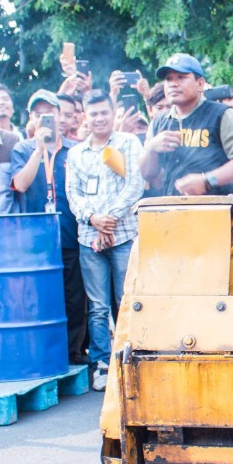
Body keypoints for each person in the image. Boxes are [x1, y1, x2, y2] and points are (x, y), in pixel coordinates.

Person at [65, 90, 144, 392]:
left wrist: (108, 219)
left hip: (123, 235)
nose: (99, 118)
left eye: (104, 112)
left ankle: (131, 357)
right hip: (89, 238)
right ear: (84, 115)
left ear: (113, 113)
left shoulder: (127, 143)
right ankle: (102, 363)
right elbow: (74, 195)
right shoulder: (76, 154)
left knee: (127, 301)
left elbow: (134, 185)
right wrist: (94, 220)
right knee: (97, 306)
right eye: (93, 113)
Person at [11, 91, 88, 365]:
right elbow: (20, 184)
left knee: (74, 297)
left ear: (60, 116)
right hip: (36, 238)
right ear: (31, 118)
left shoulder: (76, 149)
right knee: (39, 296)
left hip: (70, 231)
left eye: (50, 113)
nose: (44, 119)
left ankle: (71, 353)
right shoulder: (22, 149)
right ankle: (43, 353)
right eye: (37, 113)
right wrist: (39, 149)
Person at [141, 54, 233, 198]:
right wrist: (152, 148)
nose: (173, 84)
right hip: (172, 209)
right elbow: (147, 174)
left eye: (181, 77)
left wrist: (207, 180)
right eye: (168, 79)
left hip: (216, 209)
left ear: (200, 83)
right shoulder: (159, 122)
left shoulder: (221, 114)